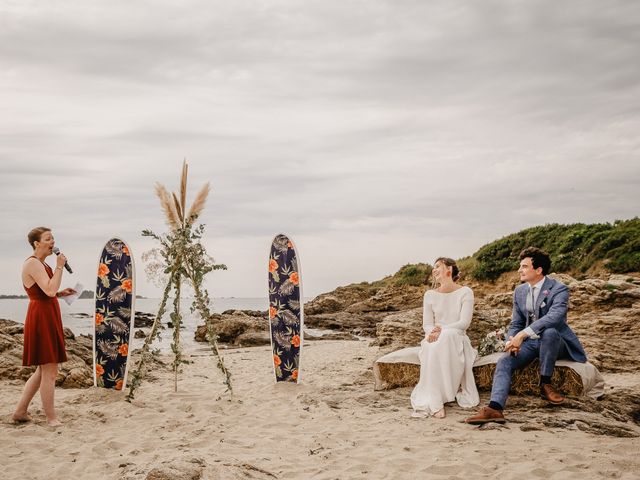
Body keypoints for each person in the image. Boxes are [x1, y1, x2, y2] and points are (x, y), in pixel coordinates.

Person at [465, 247, 587, 425]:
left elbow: (555, 317)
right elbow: (516, 322)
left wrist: (523, 334)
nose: (519, 270)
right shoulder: (520, 291)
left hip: (556, 342)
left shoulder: (559, 289)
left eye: (524, 266)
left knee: (550, 331)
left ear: (538, 270)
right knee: (504, 361)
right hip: (531, 343)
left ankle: (545, 383)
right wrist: (511, 340)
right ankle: (495, 408)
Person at [12, 227, 75, 427]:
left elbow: (49, 290)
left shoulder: (41, 264)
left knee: (42, 371)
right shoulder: (33, 263)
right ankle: (51, 418)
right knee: (50, 371)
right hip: (41, 316)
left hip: (47, 313)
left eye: (53, 238)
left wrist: (61, 293)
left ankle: (20, 412)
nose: (52, 241)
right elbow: (48, 290)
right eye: (48, 239)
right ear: (36, 243)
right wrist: (59, 267)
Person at [410, 257, 479, 418]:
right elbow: (427, 324)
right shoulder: (429, 295)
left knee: (447, 336)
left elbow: (464, 323)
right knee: (430, 345)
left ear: (449, 270)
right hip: (435, 336)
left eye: (437, 266)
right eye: (433, 267)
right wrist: (432, 332)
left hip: (456, 337)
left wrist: (441, 330)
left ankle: (440, 397)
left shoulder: (465, 292)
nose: (434, 270)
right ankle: (435, 399)